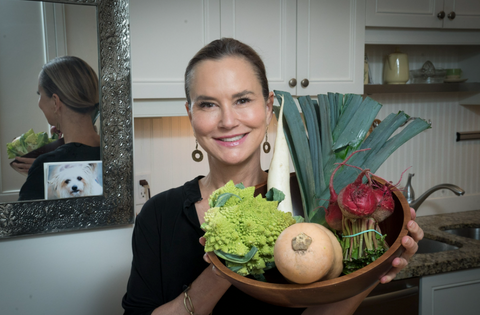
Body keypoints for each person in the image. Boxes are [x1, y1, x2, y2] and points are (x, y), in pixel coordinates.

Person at [122, 38, 424, 315]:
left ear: (268, 108)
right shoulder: (159, 216)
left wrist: (372, 272)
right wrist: (228, 262)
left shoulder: (313, 205)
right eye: (208, 104)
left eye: (242, 100)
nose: (228, 121)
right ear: (190, 114)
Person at [16, 56, 101, 201]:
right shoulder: (115, 153)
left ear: (55, 101)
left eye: (40, 94)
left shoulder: (44, 165)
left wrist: (40, 171)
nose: (39, 103)